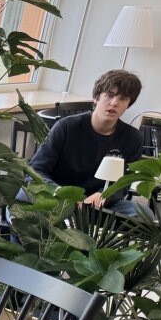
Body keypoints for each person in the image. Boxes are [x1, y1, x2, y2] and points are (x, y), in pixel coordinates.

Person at [30, 70, 143, 215]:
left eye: (123, 98)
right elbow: (36, 170)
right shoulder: (66, 127)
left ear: (129, 104)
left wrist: (103, 196)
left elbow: (124, 183)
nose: (114, 103)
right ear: (96, 97)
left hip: (97, 203)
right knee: (23, 203)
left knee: (141, 213)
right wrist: (60, 192)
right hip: (57, 198)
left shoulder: (133, 138)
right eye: (109, 95)